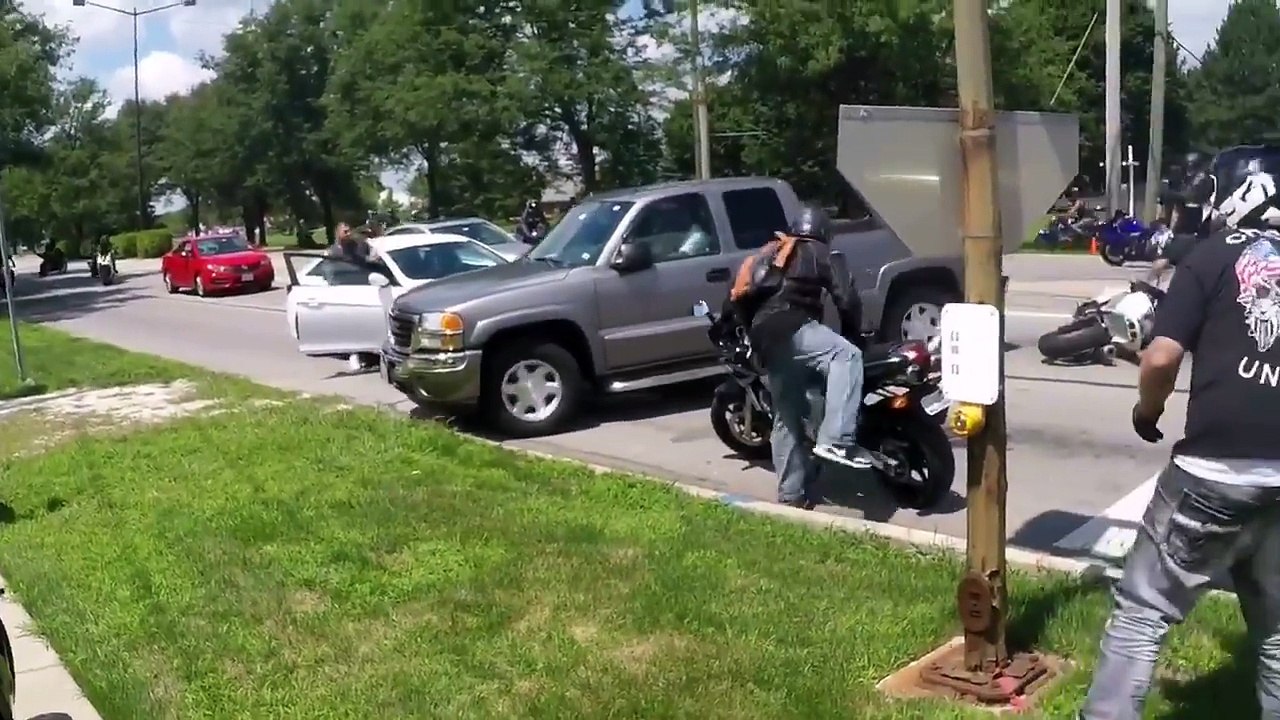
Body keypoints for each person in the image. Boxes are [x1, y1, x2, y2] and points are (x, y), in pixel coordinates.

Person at [1080, 169, 1280, 720]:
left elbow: (1161, 356)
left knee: (1143, 610)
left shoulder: (1212, 256)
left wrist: (1148, 412)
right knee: (1278, 630)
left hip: (1216, 472)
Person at [727, 204, 869, 510]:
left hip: (764, 338)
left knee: (786, 416)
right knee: (847, 357)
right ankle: (836, 439)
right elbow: (847, 299)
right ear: (823, 232)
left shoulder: (772, 253)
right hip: (793, 326)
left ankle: (791, 495)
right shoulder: (821, 252)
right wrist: (852, 335)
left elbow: (739, 297)